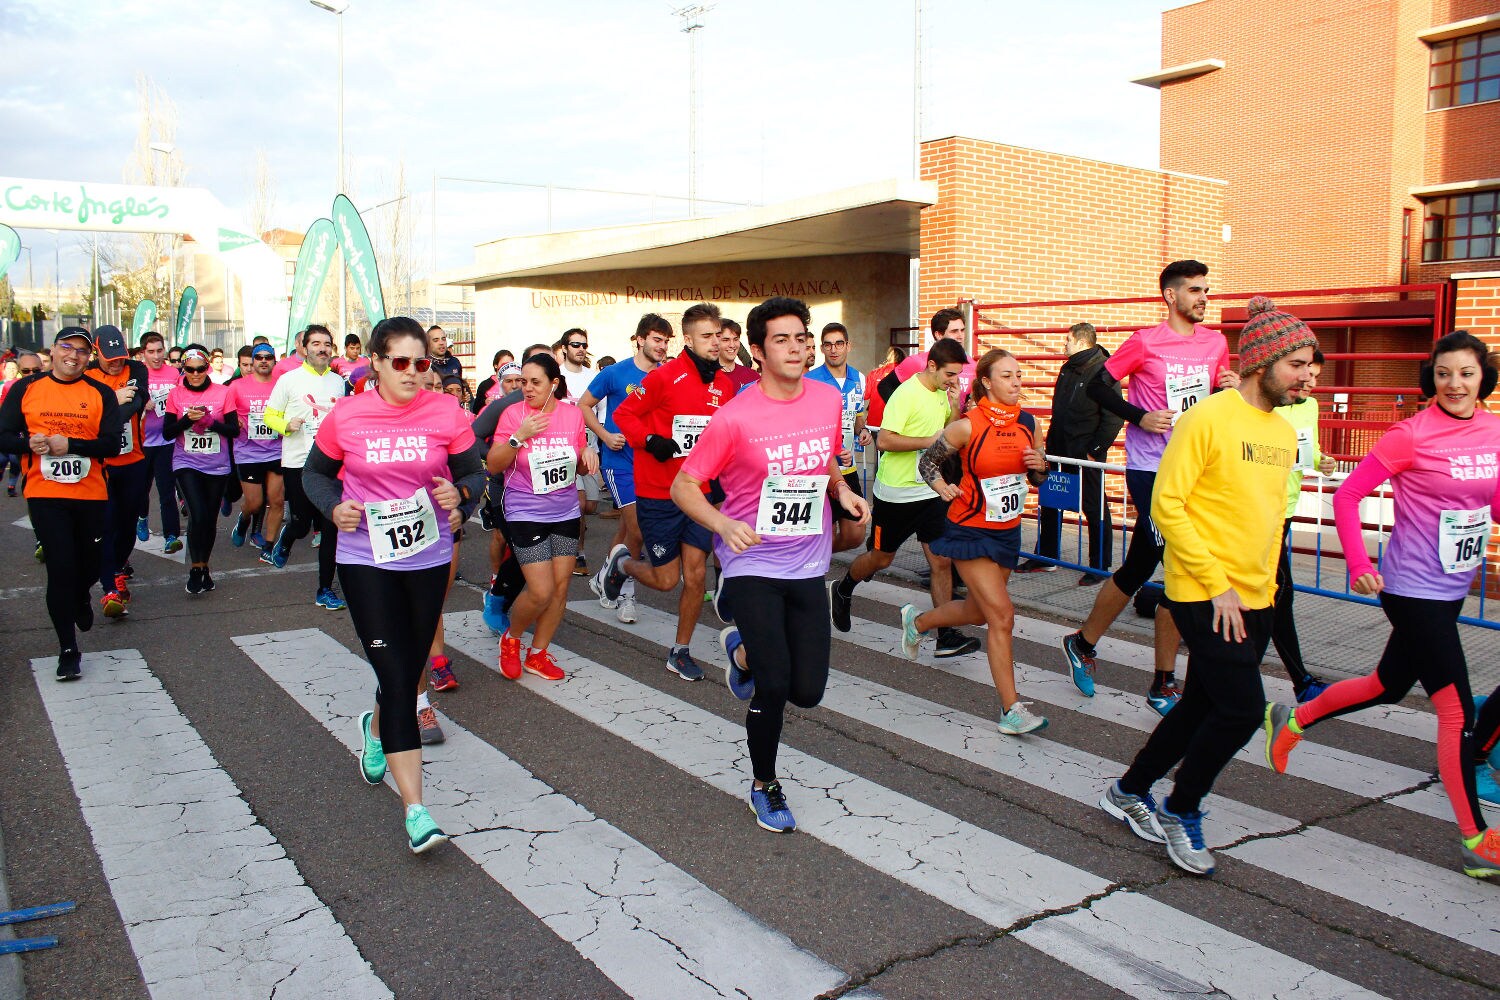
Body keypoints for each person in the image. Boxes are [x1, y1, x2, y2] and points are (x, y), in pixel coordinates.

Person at [1264, 329, 1500, 880]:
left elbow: (1489, 497)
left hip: (1451, 587)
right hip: (1411, 587)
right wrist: (1359, 562)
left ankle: (1294, 719)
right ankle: (1475, 839)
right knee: (1457, 713)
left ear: (1483, 376)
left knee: (1387, 684)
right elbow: (1348, 495)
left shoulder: (1493, 430)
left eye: (1466, 373)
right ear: (1431, 378)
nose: (1455, 384)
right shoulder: (1411, 435)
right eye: (1444, 373)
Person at [1099, 297, 1313, 877]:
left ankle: (1128, 789)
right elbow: (1167, 506)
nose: (1309, 374)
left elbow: (1272, 519)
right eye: (1298, 363)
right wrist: (1219, 586)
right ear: (1263, 363)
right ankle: (1180, 807)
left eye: (1310, 363)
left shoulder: (1282, 431)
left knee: (1200, 705)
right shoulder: (1207, 419)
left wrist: (1265, 593)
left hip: (1255, 599)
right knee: (1242, 711)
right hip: (1203, 593)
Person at [672, 296, 869, 833]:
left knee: (809, 691)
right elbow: (684, 485)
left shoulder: (828, 399)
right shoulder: (734, 417)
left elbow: (826, 454)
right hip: (752, 560)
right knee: (777, 687)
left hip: (809, 562)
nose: (797, 347)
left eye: (801, 337)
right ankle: (764, 784)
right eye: (781, 339)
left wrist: (843, 490)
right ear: (756, 352)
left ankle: (741, 654)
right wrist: (721, 525)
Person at [302, 315, 486, 853]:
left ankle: (374, 727)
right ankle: (416, 810)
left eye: (422, 363)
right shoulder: (348, 414)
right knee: (400, 678)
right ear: (376, 362)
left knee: (406, 666)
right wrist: (334, 507)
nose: (413, 373)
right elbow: (314, 474)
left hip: (427, 556)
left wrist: (463, 499)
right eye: (400, 362)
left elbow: (471, 473)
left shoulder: (446, 411)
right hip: (365, 558)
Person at [1061, 260, 1237, 715]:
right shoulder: (1145, 342)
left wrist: (1229, 389)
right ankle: (1163, 683)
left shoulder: (1216, 342)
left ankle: (1082, 643)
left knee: (1141, 564)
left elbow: (1213, 400)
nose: (1203, 298)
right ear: (1170, 296)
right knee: (1178, 563)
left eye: (1206, 290)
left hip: (1198, 469)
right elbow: (1096, 387)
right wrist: (1138, 416)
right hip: (1153, 469)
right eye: (1194, 291)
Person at [903, 349, 1050, 734]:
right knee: (1001, 615)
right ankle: (1011, 710)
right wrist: (941, 487)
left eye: (1019, 374)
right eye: (1007, 375)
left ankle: (917, 622)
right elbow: (927, 462)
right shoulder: (968, 425)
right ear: (987, 381)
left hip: (1007, 530)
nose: (1017, 381)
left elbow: (1037, 478)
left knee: (978, 611)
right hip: (969, 528)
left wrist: (1040, 468)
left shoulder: (1029, 423)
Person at [594, 302, 733, 681]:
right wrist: (650, 439)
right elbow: (623, 416)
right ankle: (621, 564)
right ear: (688, 339)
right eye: (706, 336)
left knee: (696, 575)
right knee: (666, 579)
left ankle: (680, 650)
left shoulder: (724, 384)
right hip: (660, 491)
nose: (715, 343)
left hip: (699, 493)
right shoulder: (663, 377)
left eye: (718, 336)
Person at [828, 338, 981, 658]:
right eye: (951, 374)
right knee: (880, 559)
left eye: (959, 375)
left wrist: (954, 409)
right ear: (932, 366)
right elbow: (884, 440)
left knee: (941, 561)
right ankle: (843, 588)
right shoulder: (906, 394)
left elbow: (945, 433)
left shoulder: (942, 394)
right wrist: (929, 439)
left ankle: (945, 635)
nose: (956, 381)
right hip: (895, 495)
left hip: (929, 489)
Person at [0, 327, 123, 679]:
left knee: (88, 564)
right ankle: (68, 649)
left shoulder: (100, 393)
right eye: (67, 347)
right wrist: (30, 444)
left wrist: (70, 444)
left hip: (90, 493)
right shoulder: (27, 388)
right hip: (45, 493)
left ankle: (83, 595)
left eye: (83, 351)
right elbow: (4, 434)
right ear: (53, 351)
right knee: (60, 565)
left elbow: (111, 445)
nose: (74, 355)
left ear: (89, 357)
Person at [487, 353, 598, 682]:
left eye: (535, 382)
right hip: (525, 510)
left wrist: (587, 455)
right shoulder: (513, 414)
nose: (527, 388)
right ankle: (512, 639)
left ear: (554, 384)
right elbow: (494, 464)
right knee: (540, 590)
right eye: (523, 382)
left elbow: (576, 462)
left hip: (564, 509)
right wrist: (518, 435)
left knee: (560, 589)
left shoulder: (572, 416)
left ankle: (538, 653)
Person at [580, 314, 672, 625]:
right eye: (657, 340)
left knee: (626, 527)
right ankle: (626, 594)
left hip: (652, 461)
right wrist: (604, 436)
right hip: (620, 461)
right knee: (637, 529)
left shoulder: (668, 374)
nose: (662, 346)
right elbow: (583, 405)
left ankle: (605, 575)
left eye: (666, 341)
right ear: (640, 339)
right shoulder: (615, 373)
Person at [1022, 322, 1124, 584]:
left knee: (1094, 507)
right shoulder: (1068, 367)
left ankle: (1099, 566)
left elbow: (1113, 417)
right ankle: (1045, 557)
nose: (1063, 344)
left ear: (1081, 342)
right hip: (1059, 449)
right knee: (1050, 502)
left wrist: (1095, 450)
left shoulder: (1103, 370)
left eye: (1067, 340)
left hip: (1086, 454)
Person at [263, 325, 347, 610]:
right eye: (316, 344)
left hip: (332, 466)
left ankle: (325, 588)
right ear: (305, 348)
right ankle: (287, 536)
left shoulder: (339, 382)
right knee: (301, 523)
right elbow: (269, 415)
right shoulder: (289, 380)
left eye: (326, 344)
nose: (322, 348)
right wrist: (286, 425)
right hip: (298, 461)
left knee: (330, 527)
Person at [1270, 349, 1336, 701]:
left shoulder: (1310, 406)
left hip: (1288, 508)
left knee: (1273, 594)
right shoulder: (1270, 402)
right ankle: (1301, 682)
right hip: (1261, 511)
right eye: (1305, 372)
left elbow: (1310, 450)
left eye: (1317, 376)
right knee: (1281, 592)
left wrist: (1323, 461)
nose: (1311, 382)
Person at [84, 326, 150, 617]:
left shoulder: (136, 368)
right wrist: (113, 400)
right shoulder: (85, 377)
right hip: (102, 466)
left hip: (134, 461)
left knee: (127, 524)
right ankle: (109, 587)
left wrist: (104, 406)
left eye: (120, 356)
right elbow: (88, 418)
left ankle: (118, 568)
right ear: (96, 352)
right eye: (110, 357)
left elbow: (135, 402)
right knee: (107, 524)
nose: (116, 362)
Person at [162, 346, 237, 594]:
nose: (195, 374)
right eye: (190, 369)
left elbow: (234, 431)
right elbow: (167, 432)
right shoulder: (176, 394)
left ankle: (205, 567)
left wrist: (210, 423)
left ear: (207, 368)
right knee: (198, 514)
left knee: (210, 519)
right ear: (183, 368)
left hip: (217, 465)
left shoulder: (223, 393)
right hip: (186, 462)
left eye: (200, 369)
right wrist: (188, 421)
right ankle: (195, 568)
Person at [807, 322, 870, 552]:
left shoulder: (860, 379)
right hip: (821, 469)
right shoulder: (810, 380)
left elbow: (857, 415)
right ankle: (814, 570)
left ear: (848, 346)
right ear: (822, 349)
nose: (834, 349)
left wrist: (862, 431)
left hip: (849, 468)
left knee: (855, 535)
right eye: (828, 345)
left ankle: (811, 554)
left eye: (839, 344)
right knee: (824, 530)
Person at [223, 343, 282, 550]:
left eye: (268, 357)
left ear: (274, 361)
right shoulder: (237, 386)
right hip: (248, 452)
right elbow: (224, 412)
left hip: (277, 450)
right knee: (255, 503)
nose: (264, 360)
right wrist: (233, 422)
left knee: (276, 501)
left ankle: (268, 546)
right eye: (259, 357)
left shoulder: (281, 384)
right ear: (253, 361)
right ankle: (244, 519)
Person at [556, 328, 602, 575]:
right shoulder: (557, 376)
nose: (580, 348)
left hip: (590, 449)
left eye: (583, 344)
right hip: (565, 451)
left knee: (591, 506)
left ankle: (568, 543)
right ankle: (578, 554)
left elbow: (601, 410)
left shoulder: (593, 376)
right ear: (564, 348)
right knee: (580, 501)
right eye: (575, 344)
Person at [136, 331, 184, 553]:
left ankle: (171, 535)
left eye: (159, 351)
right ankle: (142, 517)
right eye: (151, 352)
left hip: (166, 441)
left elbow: (182, 398)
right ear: (143, 353)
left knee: (167, 492)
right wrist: (140, 405)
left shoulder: (174, 373)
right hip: (142, 442)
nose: (156, 356)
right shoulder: (138, 373)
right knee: (140, 490)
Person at [0, 353, 42, 496]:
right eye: (26, 371)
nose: (31, 374)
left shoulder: (52, 387)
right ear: (20, 371)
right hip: (26, 445)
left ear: (42, 368)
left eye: (36, 371)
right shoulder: (15, 388)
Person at [718, 318, 760, 393]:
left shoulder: (753, 377)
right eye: (726, 340)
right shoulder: (706, 376)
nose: (732, 345)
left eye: (735, 339)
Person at [472, 349, 515, 415]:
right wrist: (485, 402)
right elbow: (475, 409)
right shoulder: (485, 385)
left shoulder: (517, 384)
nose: (507, 367)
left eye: (511, 364)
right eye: (505, 364)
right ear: (496, 365)